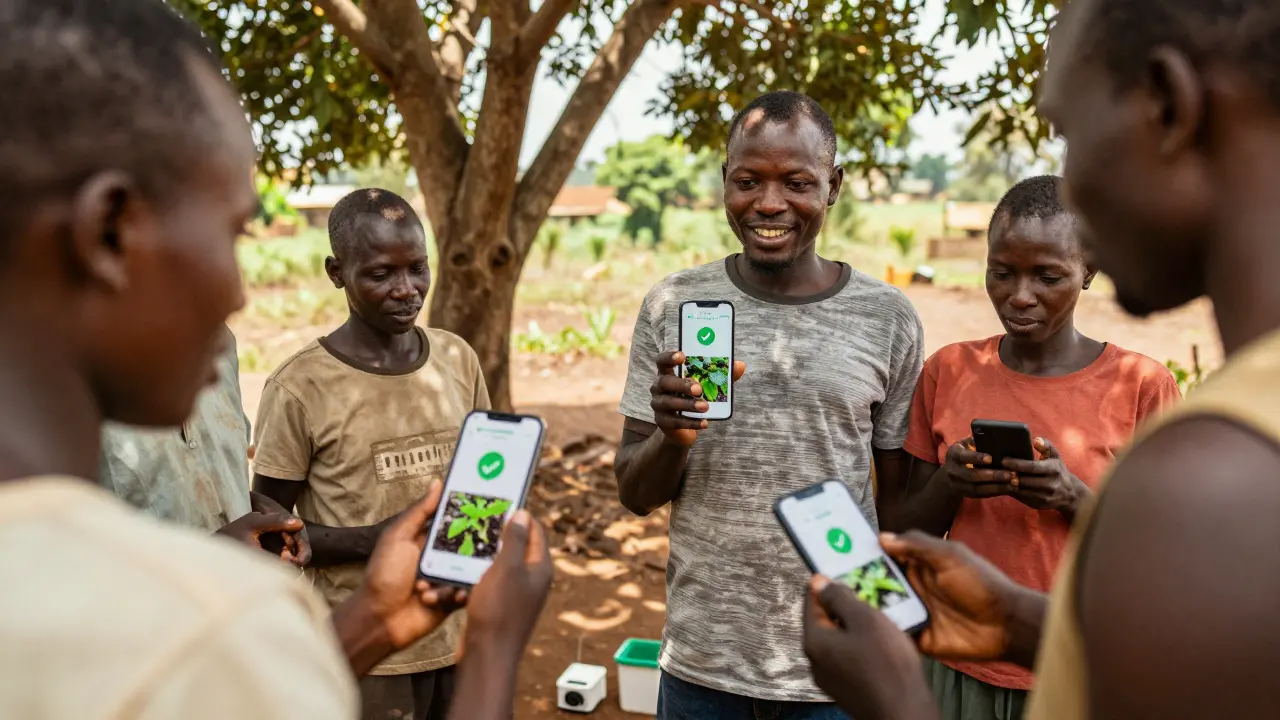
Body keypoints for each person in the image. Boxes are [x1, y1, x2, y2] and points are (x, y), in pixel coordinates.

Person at [0, 2, 551, 718]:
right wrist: (495, 643)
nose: (236, 292)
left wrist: (373, 618)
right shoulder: (204, 625)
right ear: (109, 232)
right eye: (229, 231)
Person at [802, 0, 1280, 718]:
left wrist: (895, 698)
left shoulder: (1212, 474)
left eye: (1068, 133)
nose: (1071, 185)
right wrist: (1015, 620)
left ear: (1169, 107)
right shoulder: (1250, 426)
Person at [615, 90, 924, 719]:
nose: (769, 203)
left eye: (797, 183)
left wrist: (892, 630)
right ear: (725, 181)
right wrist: (672, 438)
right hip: (702, 664)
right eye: (748, 181)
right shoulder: (673, 304)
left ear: (834, 186)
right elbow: (634, 493)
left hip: (837, 671)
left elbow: (894, 507)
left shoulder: (887, 317)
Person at [876, 175, 1180, 718]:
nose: (1019, 295)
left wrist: (1072, 497)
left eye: (1048, 276)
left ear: (1089, 271)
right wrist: (950, 483)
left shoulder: (1141, 387)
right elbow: (902, 531)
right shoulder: (950, 370)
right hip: (959, 661)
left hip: (1077, 669)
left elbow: (1165, 554)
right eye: (1002, 273)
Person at [252, 188, 489, 720]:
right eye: (381, 274)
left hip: (463, 634)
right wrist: (379, 538)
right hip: (370, 653)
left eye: (418, 269)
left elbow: (482, 486)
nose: (406, 290)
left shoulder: (457, 359)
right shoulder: (301, 386)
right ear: (337, 272)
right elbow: (268, 531)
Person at [100, 325, 312, 563]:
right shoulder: (81, 370)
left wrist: (254, 508)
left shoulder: (220, 341)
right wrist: (212, 551)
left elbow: (186, 478)